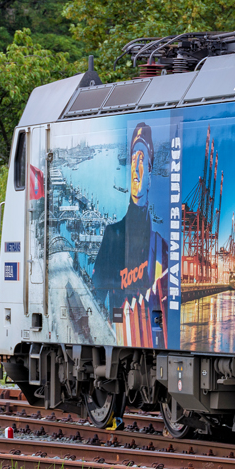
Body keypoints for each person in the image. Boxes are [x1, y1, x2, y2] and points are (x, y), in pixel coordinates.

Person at [92, 122, 169, 347]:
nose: (135, 169)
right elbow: (95, 302)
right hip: (117, 338)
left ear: (150, 174)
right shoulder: (112, 235)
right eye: (133, 159)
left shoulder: (161, 248)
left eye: (142, 160)